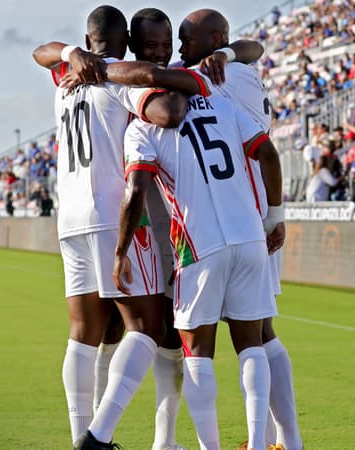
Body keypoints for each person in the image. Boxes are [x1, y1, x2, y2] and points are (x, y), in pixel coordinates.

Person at [32, 6, 207, 448]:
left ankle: (85, 436)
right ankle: (97, 437)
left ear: (87, 41)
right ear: (127, 44)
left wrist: (71, 54)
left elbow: (42, 52)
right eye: (150, 48)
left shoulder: (65, 80)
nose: (160, 54)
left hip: (70, 216)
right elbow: (168, 112)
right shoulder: (113, 79)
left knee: (84, 332)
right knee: (148, 327)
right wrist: (150, 74)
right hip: (119, 215)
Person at [119, 73, 284, 450]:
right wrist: (276, 215)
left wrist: (120, 250)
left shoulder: (143, 129)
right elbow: (268, 153)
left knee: (197, 351)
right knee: (251, 343)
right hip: (249, 235)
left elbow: (137, 189)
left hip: (198, 243)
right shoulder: (225, 106)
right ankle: (258, 443)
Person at [177, 9, 303, 450]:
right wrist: (227, 50)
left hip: (249, 215)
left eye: (186, 40)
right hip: (253, 215)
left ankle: (286, 438)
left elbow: (247, 47)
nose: (179, 50)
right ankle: (273, 439)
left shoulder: (223, 74)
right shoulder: (235, 67)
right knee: (258, 333)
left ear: (211, 40)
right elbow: (253, 47)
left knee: (259, 333)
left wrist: (274, 215)